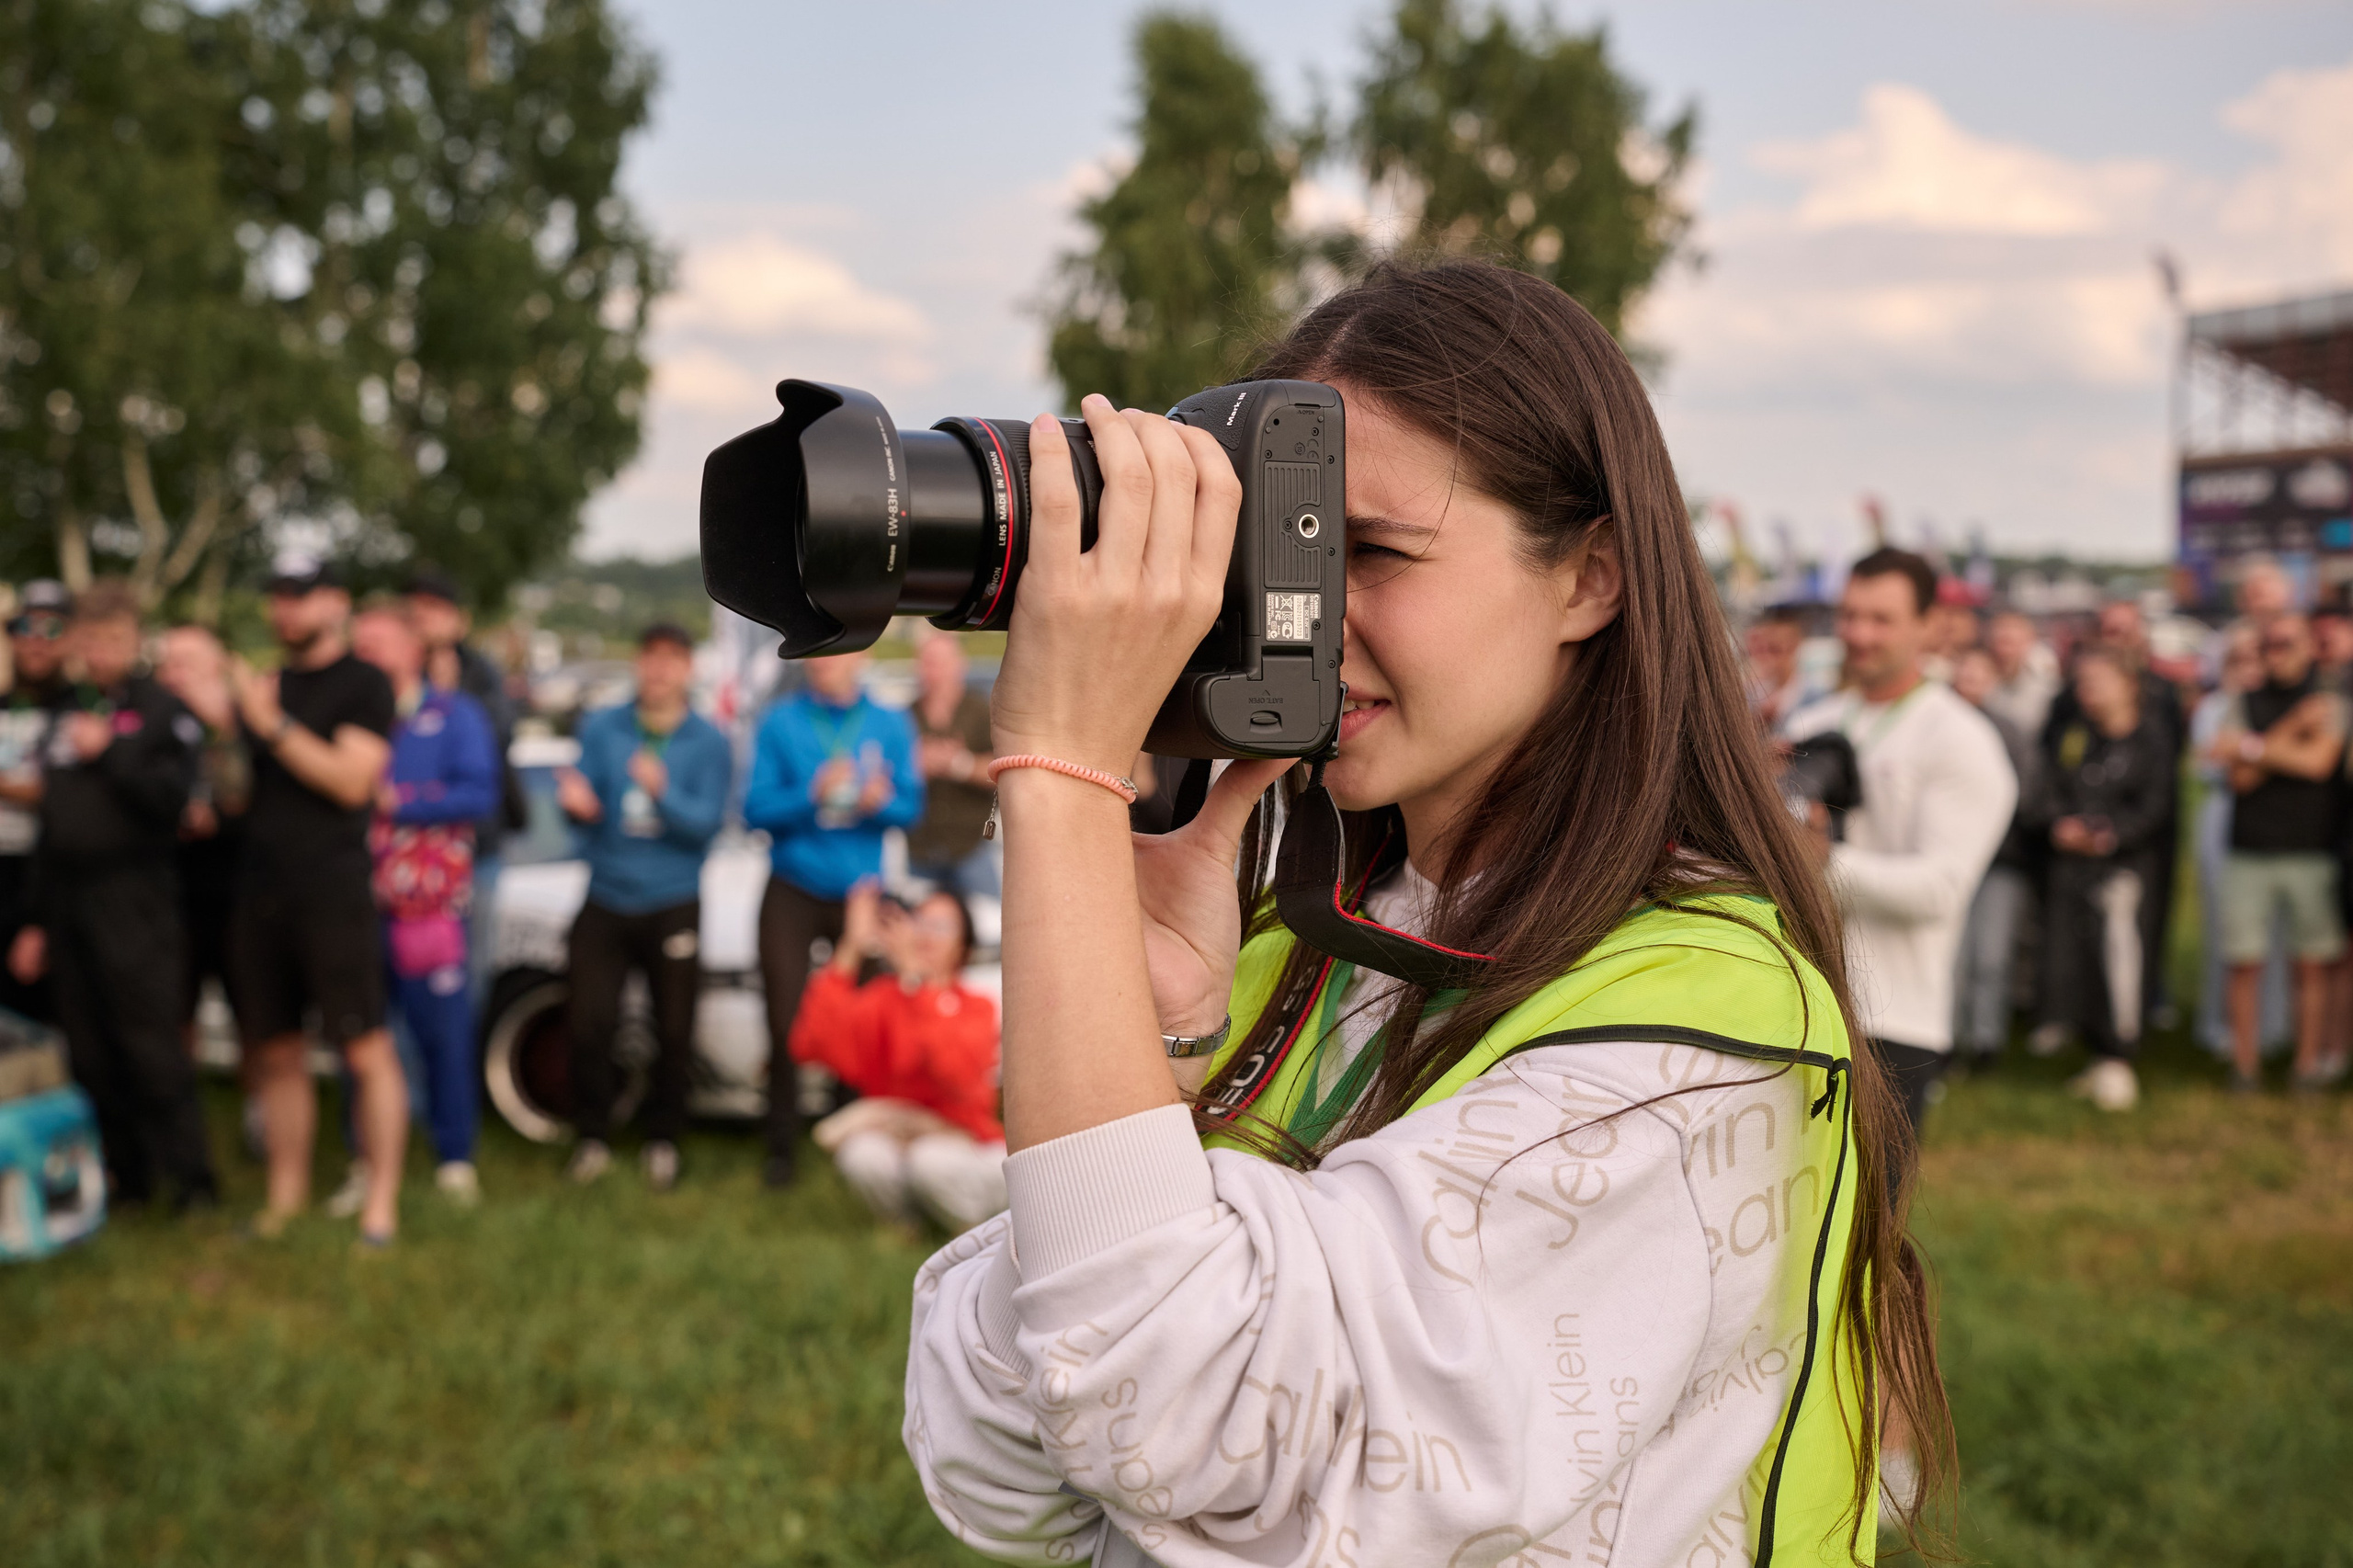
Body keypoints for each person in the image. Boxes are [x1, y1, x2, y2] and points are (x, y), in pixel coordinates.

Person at [904, 260, 1953, 1565]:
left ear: (1591, 579)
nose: (1299, 616)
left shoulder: (1687, 1033)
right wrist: (1160, 1046)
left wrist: (1061, 769)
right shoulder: (1307, 941)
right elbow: (999, 1455)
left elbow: (1164, 1422)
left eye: (1374, 552)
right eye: (1272, 554)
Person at [1786, 549, 2016, 1169]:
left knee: (1864, 1241)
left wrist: (1819, 863)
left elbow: (1940, 889)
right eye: (1851, 615)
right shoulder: (1814, 721)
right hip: (1795, 1005)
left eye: (1881, 619)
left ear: (1930, 624)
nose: (1859, 635)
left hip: (1896, 1020)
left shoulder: (1962, 739)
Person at [6, 581, 215, 1211]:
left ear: (135, 641)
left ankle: (192, 1180)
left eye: (113, 640)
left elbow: (174, 800)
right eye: (90, 640)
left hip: (136, 900)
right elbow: (54, 822)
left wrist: (115, 753)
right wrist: (37, 921)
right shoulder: (68, 709)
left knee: (149, 1043)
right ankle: (128, 1174)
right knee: (89, 1046)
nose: (101, 653)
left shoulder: (159, 710)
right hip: (68, 901)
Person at [226, 557, 406, 1244]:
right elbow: (240, 793)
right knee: (275, 1052)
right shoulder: (265, 686)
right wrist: (228, 728)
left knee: (365, 1048)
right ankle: (285, 1198)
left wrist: (269, 725)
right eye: (276, 597)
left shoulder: (364, 683)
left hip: (333, 893)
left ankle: (380, 1208)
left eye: (299, 597)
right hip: (260, 890)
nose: (285, 611)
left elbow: (351, 783)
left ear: (337, 602)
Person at [557, 622, 732, 1190]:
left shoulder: (709, 741)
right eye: (649, 657)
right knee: (588, 1021)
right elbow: (581, 804)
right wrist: (577, 809)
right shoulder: (603, 726)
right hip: (606, 895)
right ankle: (593, 1137)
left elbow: (706, 827)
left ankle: (664, 1140)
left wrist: (664, 793)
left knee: (674, 1028)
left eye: (670, 660)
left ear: (688, 669)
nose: (657, 670)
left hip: (673, 899)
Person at [742, 649, 922, 1187]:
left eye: (837, 652)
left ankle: (852, 1142)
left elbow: (911, 809)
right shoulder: (781, 720)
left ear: (863, 656)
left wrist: (877, 802)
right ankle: (781, 1149)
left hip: (860, 893)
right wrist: (810, 794)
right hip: (792, 886)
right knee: (784, 1017)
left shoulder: (889, 723)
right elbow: (754, 810)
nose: (824, 662)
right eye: (816, 655)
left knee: (862, 1020)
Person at [351, 607, 501, 1203]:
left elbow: (480, 792)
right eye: (360, 643)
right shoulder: (349, 716)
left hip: (428, 909)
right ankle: (364, 1161)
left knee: (444, 1033)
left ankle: (454, 1156)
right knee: (359, 1036)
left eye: (381, 642)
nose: (369, 653)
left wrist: (399, 800)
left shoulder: (454, 714)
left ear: (415, 650)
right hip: (356, 905)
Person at [792, 881, 1004, 1232]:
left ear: (963, 948)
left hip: (966, 1145)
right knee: (862, 1154)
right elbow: (811, 1044)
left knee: (930, 1161)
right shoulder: (884, 999)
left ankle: (972, 1232)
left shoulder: (976, 1007)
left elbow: (956, 1078)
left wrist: (917, 983)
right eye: (918, 922)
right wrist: (850, 948)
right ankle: (907, 1227)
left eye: (941, 926)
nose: (925, 936)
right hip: (900, 1139)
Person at [2209, 614, 2347, 1093]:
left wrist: (2252, 748)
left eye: (2287, 643)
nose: (2276, 652)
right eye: (2268, 644)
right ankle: (2244, 1067)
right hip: (2249, 850)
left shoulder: (2330, 699)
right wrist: (2291, 729)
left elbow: (2317, 764)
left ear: (2308, 646)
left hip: (2312, 849)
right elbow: (2237, 778)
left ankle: (2306, 1065)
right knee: (2243, 962)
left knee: (2311, 965)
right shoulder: (2243, 700)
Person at [2036, 648, 2175, 1111]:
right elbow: (2052, 787)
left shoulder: (2152, 741)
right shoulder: (2077, 736)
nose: (2087, 692)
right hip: (2077, 873)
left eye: (2098, 681)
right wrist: (2062, 826)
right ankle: (2096, 1051)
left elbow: (2156, 808)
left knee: (2122, 962)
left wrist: (2109, 837)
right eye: (2081, 683)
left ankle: (2122, 1055)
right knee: (2081, 962)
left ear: (2128, 684)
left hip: (2126, 875)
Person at [404, 567, 524, 1002]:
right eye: (414, 610)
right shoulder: (393, 675)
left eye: (434, 609)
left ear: (459, 620)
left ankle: (464, 1065)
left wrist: (448, 702)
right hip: (406, 856)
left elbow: (492, 746)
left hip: (475, 849)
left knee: (468, 975)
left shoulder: (482, 675)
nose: (422, 618)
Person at [2189, 626, 2288, 1059]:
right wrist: (2270, 751)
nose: (2249, 668)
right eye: (2239, 660)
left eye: (2256, 658)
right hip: (2223, 817)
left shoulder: (2275, 704)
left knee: (2275, 928)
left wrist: (2249, 750)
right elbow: (2217, 763)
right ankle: (2219, 1024)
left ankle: (2273, 1026)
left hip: (2276, 819)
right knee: (2225, 925)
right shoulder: (2214, 707)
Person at [1950, 645, 2045, 1066]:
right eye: (1963, 675)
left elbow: (2026, 794)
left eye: (1978, 676)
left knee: (1991, 956)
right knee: (1953, 956)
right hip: (1951, 860)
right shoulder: (1939, 727)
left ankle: (1987, 1042)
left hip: (2000, 862)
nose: (1969, 684)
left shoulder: (2009, 731)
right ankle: (1947, 1043)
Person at [155, 624, 251, 1045]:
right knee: (173, 1013)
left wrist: (225, 726)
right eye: (168, 665)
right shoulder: (152, 723)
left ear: (218, 666)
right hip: (172, 895)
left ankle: (260, 1111)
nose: (177, 676)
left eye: (188, 664)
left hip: (240, 895)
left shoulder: (248, 720)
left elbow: (249, 798)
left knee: (257, 1022)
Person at [0, 580, 70, 1023]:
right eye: (25, 626)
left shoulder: (85, 708)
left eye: (52, 629)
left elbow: (71, 800)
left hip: (49, 883)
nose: (36, 640)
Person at [904, 633, 997, 901]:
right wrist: (916, 766)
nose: (933, 672)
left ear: (959, 665)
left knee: (987, 920)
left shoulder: (981, 710)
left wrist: (959, 764)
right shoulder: (905, 715)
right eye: (927, 663)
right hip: (921, 845)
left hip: (972, 844)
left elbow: (1004, 772)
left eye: (940, 663)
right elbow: (890, 775)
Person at [1982, 610, 2060, 740]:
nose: (2003, 650)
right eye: (1999, 640)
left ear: (2030, 640)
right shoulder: (1975, 678)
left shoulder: (2045, 681)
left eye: (2009, 641)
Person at [1743, 603, 1817, 733]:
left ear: (1795, 646)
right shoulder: (1753, 692)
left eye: (1777, 650)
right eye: (1768, 648)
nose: (1771, 658)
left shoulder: (1812, 694)